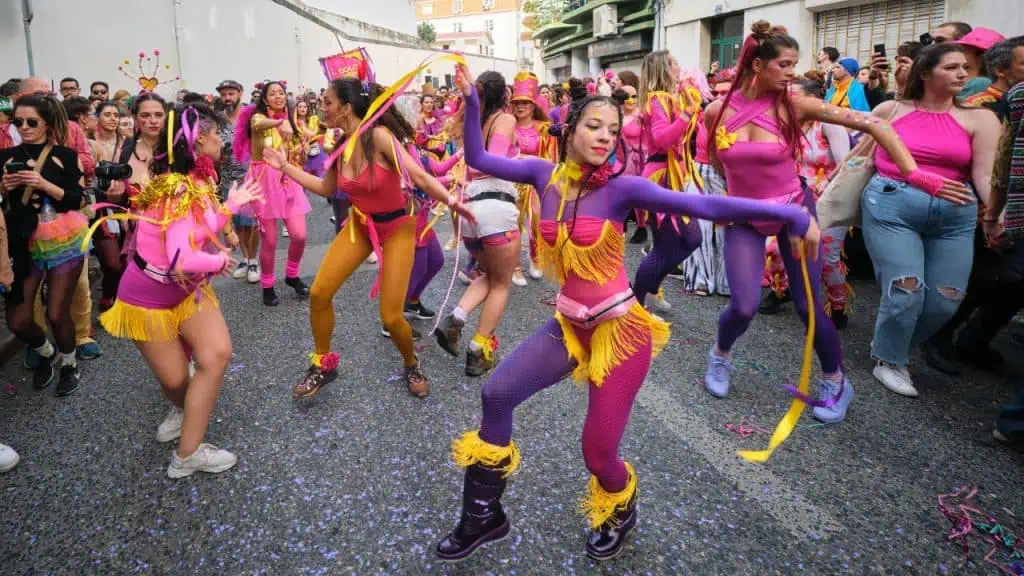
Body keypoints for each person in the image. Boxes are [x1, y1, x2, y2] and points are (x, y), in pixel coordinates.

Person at [435, 62, 819, 563]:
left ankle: (621, 508)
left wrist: (789, 213)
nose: (605, 137)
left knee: (597, 453)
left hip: (620, 331)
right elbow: (478, 155)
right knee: (496, 395)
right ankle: (483, 516)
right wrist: (470, 103)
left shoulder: (623, 189)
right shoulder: (541, 174)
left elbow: (708, 208)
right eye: (594, 126)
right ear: (569, 130)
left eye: (613, 130)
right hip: (569, 324)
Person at [701, 22, 966, 419]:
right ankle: (720, 355)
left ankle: (835, 380)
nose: (791, 72)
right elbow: (717, 162)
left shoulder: (797, 105)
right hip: (745, 216)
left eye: (795, 64)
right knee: (742, 306)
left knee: (808, 306)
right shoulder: (716, 111)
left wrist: (914, 173)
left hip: (795, 214)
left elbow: (876, 124)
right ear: (756, 65)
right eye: (784, 64)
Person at [262, 78, 473, 399]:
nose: (322, 107)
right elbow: (326, 188)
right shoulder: (341, 146)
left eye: (328, 102)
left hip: (398, 227)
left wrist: (453, 202)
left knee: (391, 316)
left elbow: (419, 176)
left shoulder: (380, 137)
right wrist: (284, 166)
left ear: (346, 108)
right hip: (361, 225)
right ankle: (322, 363)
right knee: (319, 293)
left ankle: (411, 362)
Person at [97, 101, 262, 477]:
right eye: (217, 134)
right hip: (147, 298)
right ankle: (183, 408)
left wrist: (230, 207)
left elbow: (197, 228)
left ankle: (187, 455)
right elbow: (179, 257)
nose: (222, 140)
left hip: (186, 291)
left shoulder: (198, 179)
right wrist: (216, 262)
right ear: (199, 139)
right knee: (175, 382)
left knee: (216, 355)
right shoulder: (177, 187)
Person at [859, 42, 1000, 398]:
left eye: (965, 67)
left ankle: (891, 343)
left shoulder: (981, 118)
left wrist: (996, 214)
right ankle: (890, 360)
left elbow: (985, 174)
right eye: (951, 67)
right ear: (924, 73)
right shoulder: (890, 109)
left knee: (946, 300)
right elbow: (863, 158)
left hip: (955, 214)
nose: (962, 74)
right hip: (891, 206)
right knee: (905, 290)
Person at [432, 70, 523, 377]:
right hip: (495, 207)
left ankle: (456, 317)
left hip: (471, 210)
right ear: (505, 95)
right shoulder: (504, 120)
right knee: (502, 283)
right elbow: (492, 161)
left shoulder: (476, 122)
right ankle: (477, 351)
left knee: (489, 274)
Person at [1, 93, 89, 396]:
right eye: (18, 122)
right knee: (18, 320)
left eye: (32, 122)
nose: (24, 127)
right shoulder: (5, 156)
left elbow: (79, 199)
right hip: (21, 241)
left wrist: (44, 184)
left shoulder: (65, 155)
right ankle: (48, 354)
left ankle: (69, 363)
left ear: (47, 124)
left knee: (56, 313)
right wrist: (3, 188)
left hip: (63, 238)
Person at [760, 79, 852, 326]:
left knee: (826, 256)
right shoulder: (788, 122)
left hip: (830, 197)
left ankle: (837, 306)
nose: (787, 100)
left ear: (813, 99)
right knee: (774, 249)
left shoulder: (830, 123)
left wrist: (827, 181)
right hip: (795, 194)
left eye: (793, 96)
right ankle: (782, 290)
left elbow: (847, 162)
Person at [632, 50, 702, 314]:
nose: (679, 66)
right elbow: (662, 140)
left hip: (671, 177)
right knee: (676, 243)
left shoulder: (668, 98)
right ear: (664, 68)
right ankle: (636, 302)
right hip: (661, 179)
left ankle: (649, 290)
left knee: (684, 240)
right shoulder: (658, 99)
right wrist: (686, 115)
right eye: (674, 63)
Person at [235, 81, 310, 306]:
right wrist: (279, 122)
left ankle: (292, 275)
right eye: (273, 93)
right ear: (265, 99)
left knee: (299, 235)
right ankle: (267, 285)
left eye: (281, 93)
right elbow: (258, 125)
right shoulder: (258, 117)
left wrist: (302, 149)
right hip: (263, 182)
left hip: (287, 180)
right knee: (270, 240)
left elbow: (294, 154)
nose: (278, 96)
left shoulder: (291, 120)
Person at [509, 71, 558, 285]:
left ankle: (535, 258)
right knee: (512, 225)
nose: (520, 107)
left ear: (533, 105)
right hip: (510, 182)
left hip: (534, 183)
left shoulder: (543, 128)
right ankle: (514, 266)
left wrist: (529, 159)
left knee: (536, 221)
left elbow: (551, 159)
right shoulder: (506, 125)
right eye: (517, 102)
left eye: (525, 103)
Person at [87, 101, 129, 312]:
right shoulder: (88, 144)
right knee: (112, 262)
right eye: (107, 114)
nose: (113, 118)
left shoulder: (128, 144)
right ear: (97, 118)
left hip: (127, 206)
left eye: (116, 115)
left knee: (127, 258)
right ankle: (108, 294)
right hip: (100, 208)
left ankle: (122, 299)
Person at [215, 79, 258, 283]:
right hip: (227, 180)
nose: (227, 98)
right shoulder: (218, 120)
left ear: (240, 93)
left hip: (251, 177)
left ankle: (254, 261)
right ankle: (245, 259)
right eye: (224, 94)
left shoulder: (251, 115)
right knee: (237, 223)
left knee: (253, 223)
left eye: (231, 94)